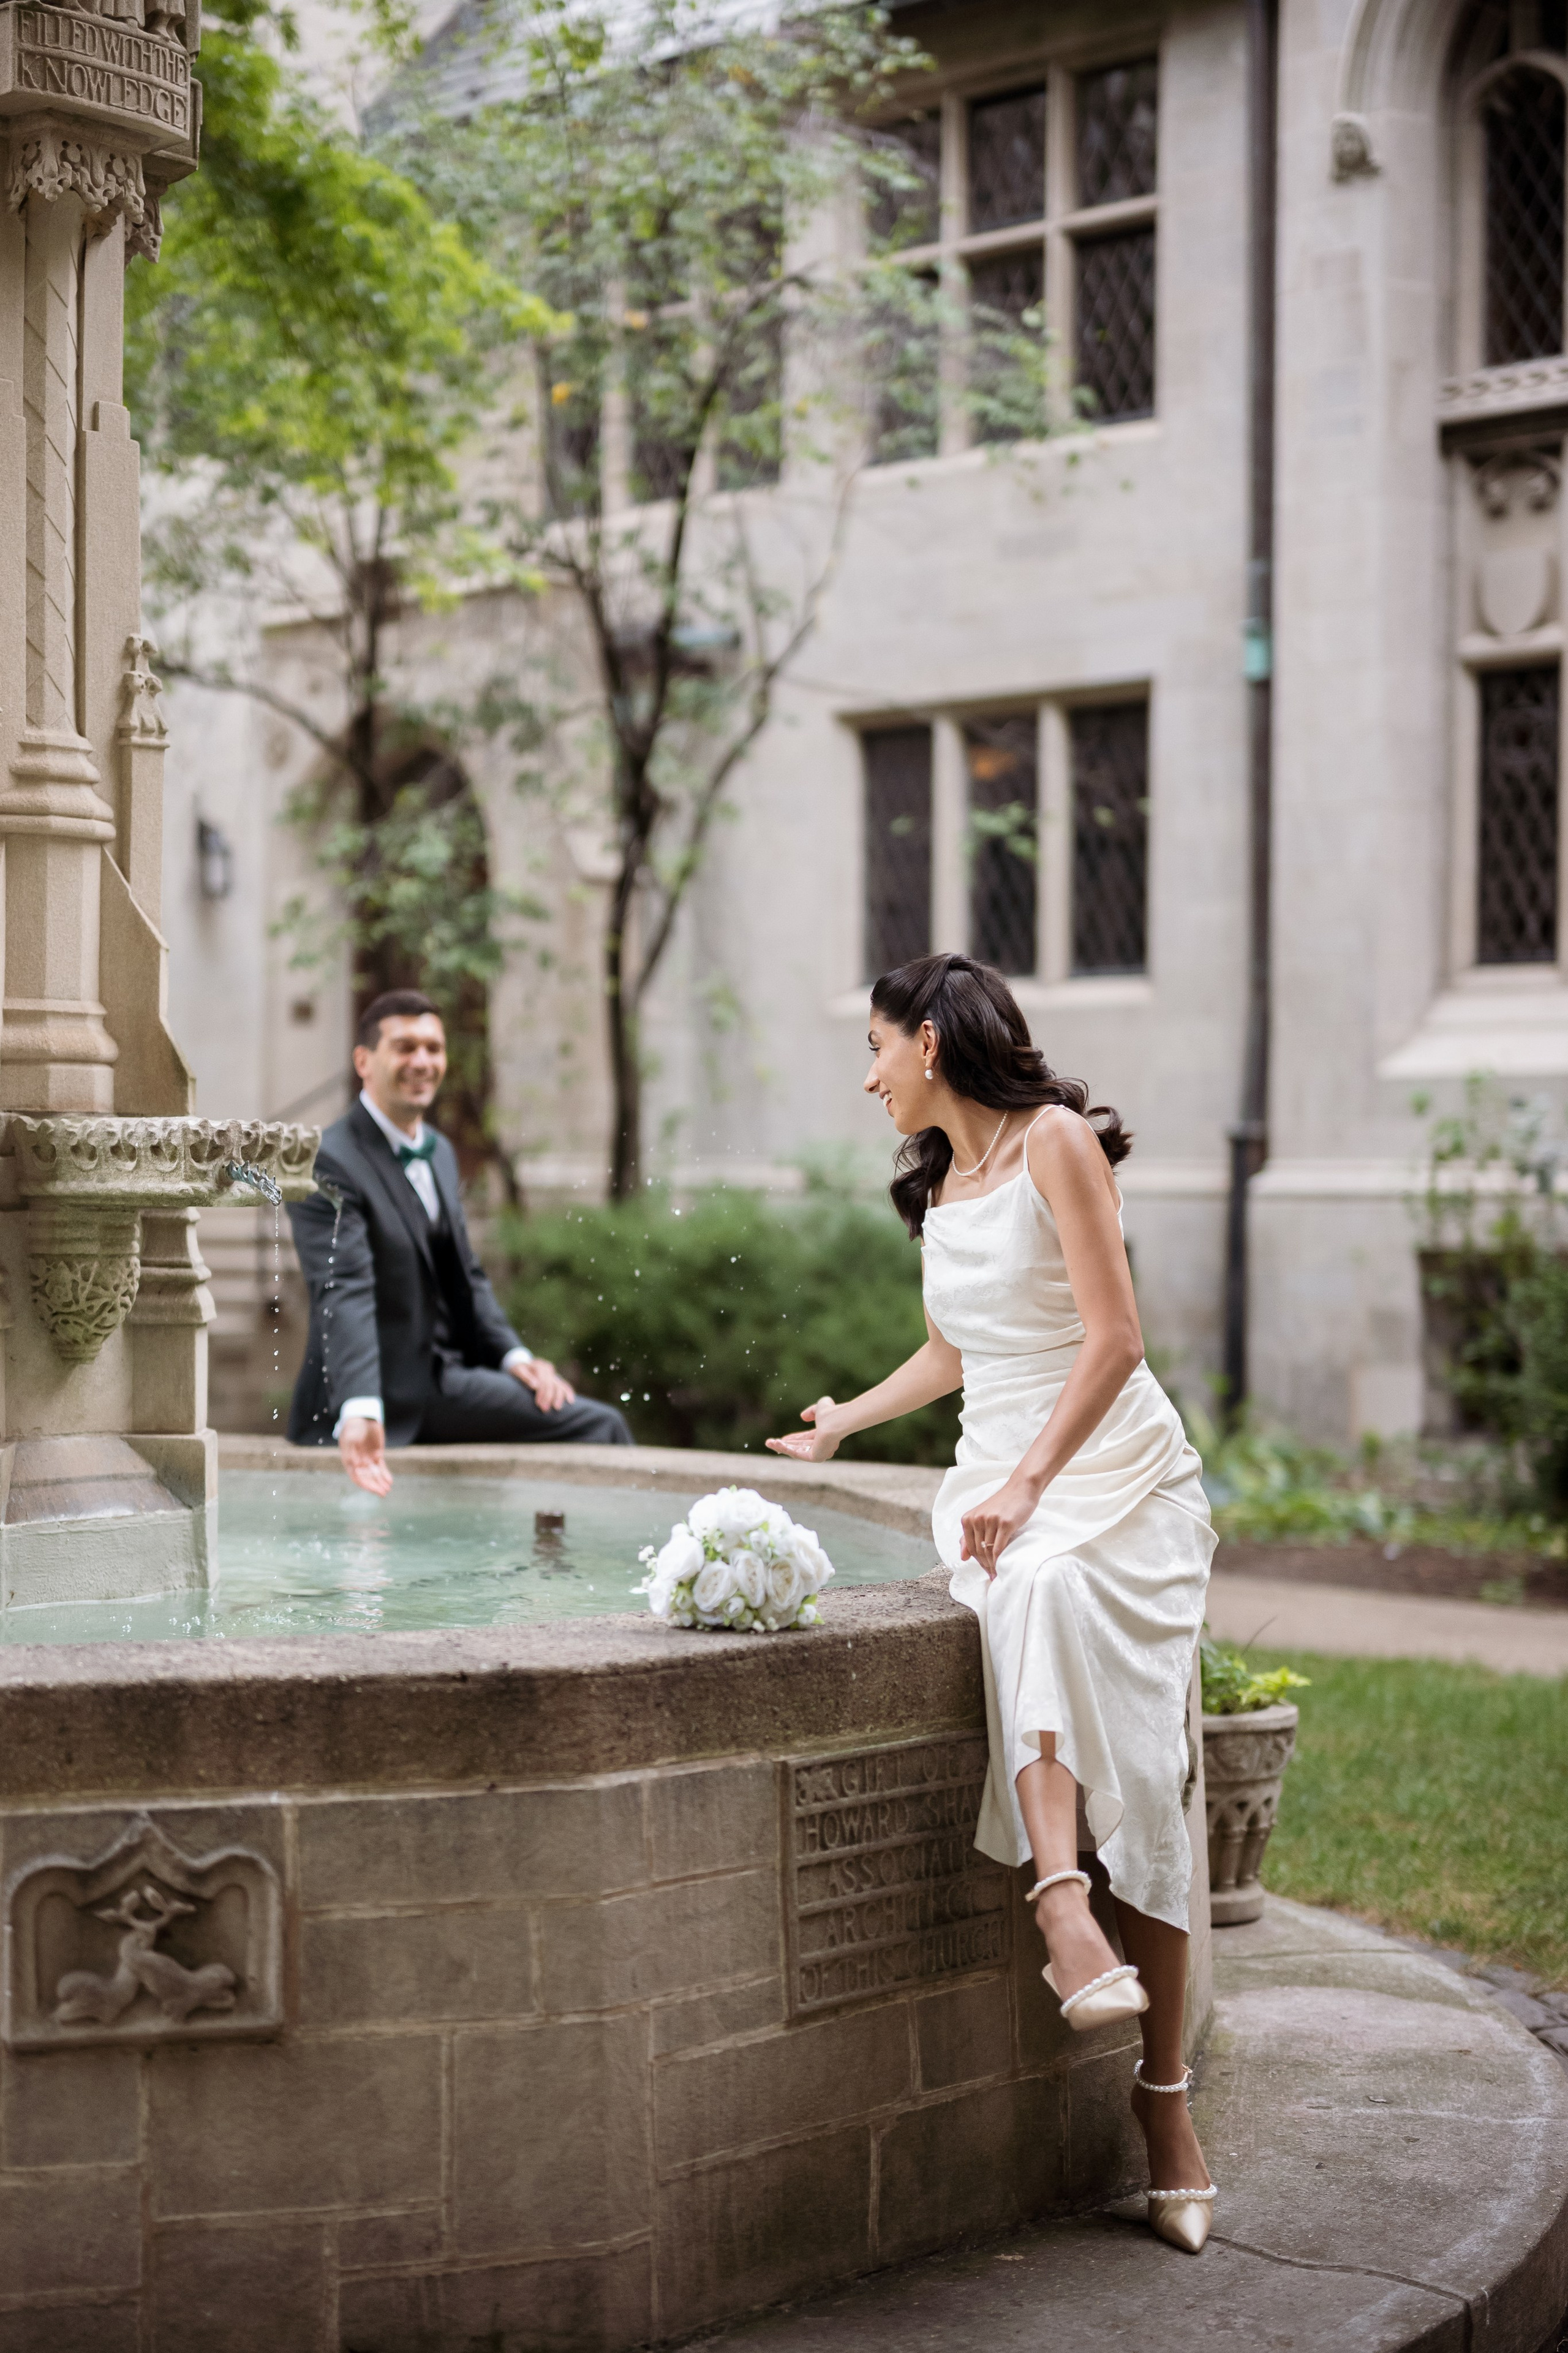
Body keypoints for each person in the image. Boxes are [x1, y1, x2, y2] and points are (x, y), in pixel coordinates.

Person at [767, 952, 1217, 2254]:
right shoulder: (941, 1185)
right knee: (1026, 1581)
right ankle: (1063, 1906)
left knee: (1136, 1750)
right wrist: (843, 1421)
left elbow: (1114, 1338)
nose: (867, 1078)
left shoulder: (1055, 1142)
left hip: (1114, 1479)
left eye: (874, 1048)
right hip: (999, 1486)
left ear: (927, 1040)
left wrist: (1031, 1483)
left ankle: (1162, 2095)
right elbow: (955, 1351)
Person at [288, 991, 632, 1494]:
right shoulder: (329, 1160)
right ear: (364, 1061)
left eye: (434, 1048)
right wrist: (360, 1406)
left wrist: (517, 1358)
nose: (422, 1061)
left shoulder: (441, 1152)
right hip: (391, 1391)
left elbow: (466, 1272)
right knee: (603, 1427)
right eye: (405, 1047)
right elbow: (344, 1286)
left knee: (594, 1421)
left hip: (450, 1373)